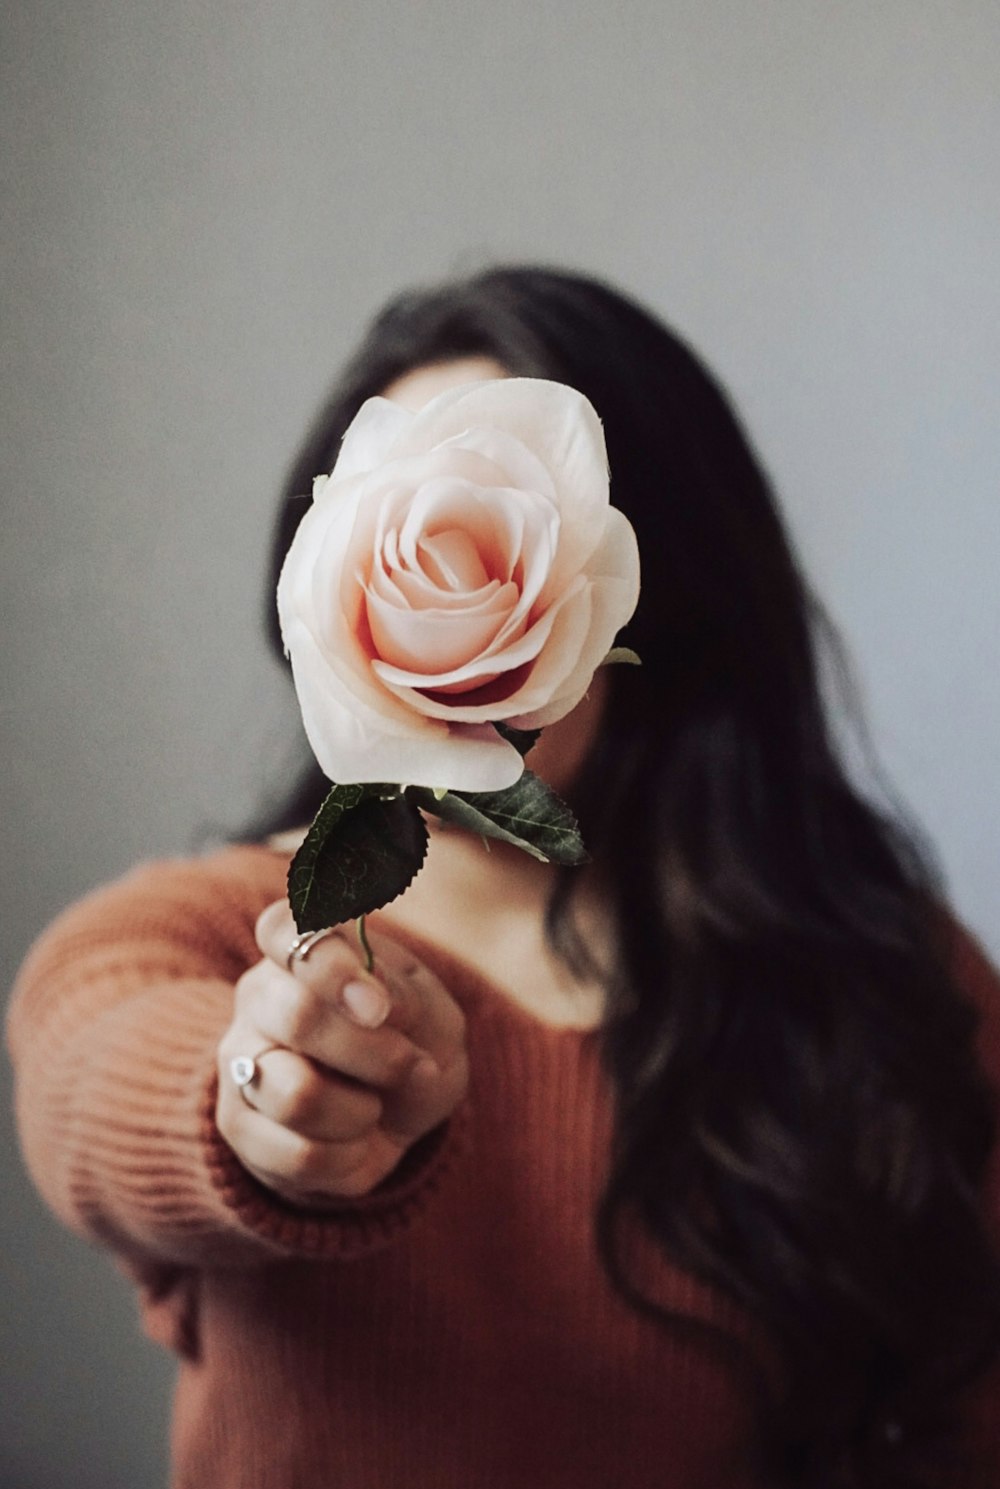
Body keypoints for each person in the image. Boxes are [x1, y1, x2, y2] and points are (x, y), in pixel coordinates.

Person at [8, 266, 1000, 1489]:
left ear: (655, 592)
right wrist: (255, 1109)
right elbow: (90, 1072)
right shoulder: (209, 932)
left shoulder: (884, 976)